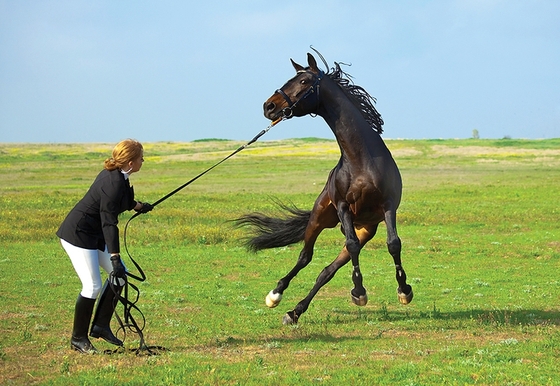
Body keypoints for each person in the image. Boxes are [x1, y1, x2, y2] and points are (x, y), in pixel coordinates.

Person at [57, 139, 154, 353]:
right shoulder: (113, 183)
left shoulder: (119, 176)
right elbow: (109, 222)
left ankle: (100, 326)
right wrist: (115, 257)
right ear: (130, 162)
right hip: (78, 235)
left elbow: (123, 201)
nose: (143, 160)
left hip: (93, 236)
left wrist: (140, 206)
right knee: (92, 286)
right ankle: (78, 339)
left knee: (119, 276)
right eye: (140, 158)